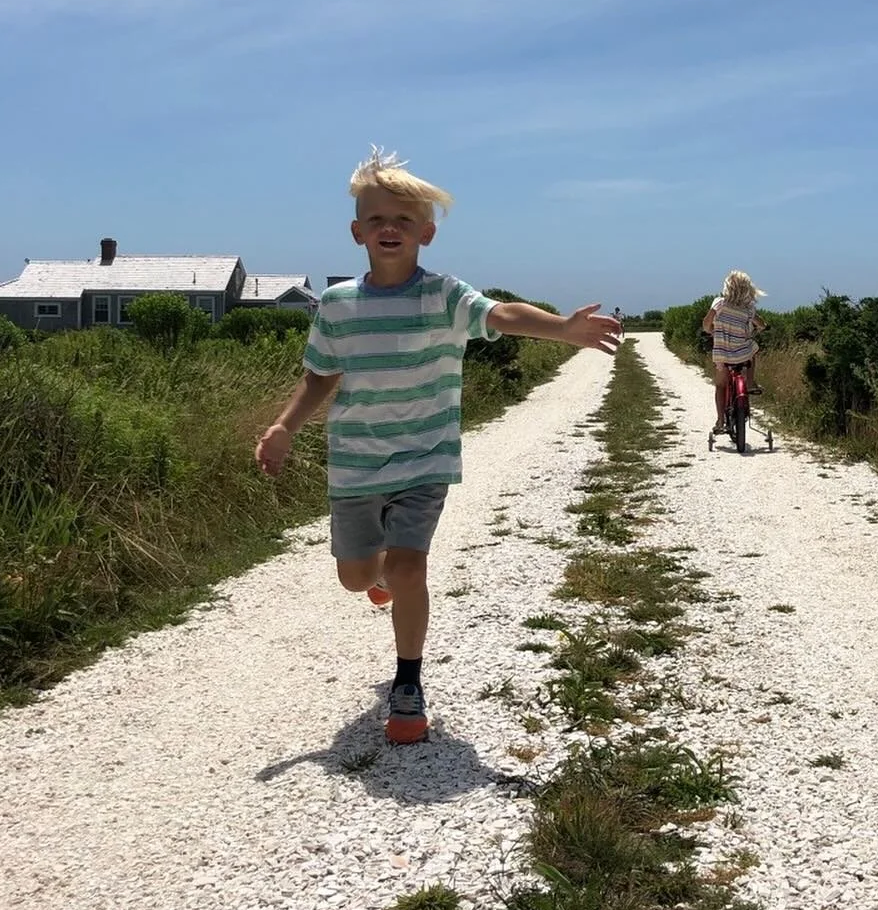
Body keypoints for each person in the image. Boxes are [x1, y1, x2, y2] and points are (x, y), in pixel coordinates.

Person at [255, 148, 620, 745]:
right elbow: (320, 375)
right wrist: (285, 427)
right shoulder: (338, 306)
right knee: (355, 578)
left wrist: (561, 329)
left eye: (402, 219)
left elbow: (500, 313)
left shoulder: (445, 297)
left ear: (426, 232)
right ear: (356, 233)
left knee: (408, 566)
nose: (388, 228)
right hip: (355, 464)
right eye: (375, 220)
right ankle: (376, 581)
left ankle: (407, 683)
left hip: (424, 459)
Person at [702, 270, 765, 434]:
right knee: (753, 349)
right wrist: (761, 327)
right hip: (742, 353)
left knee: (720, 386)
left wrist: (710, 329)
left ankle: (721, 421)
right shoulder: (748, 309)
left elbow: (706, 322)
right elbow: (761, 323)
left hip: (723, 354)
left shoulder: (720, 303)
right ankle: (750, 382)